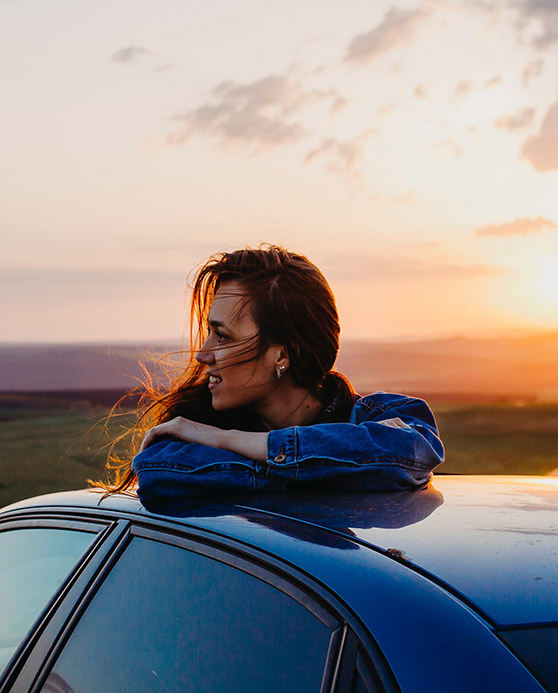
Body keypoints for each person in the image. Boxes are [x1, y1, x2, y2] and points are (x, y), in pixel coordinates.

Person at [100, 244, 444, 501]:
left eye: (222, 335)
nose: (203, 354)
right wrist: (345, 467)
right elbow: (160, 470)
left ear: (282, 355)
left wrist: (227, 440)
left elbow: (412, 452)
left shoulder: (388, 415)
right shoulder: (189, 432)